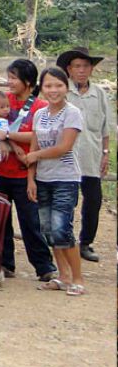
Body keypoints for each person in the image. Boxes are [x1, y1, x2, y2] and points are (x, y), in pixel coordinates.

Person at [0, 59, 55, 281]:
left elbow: (38, 136)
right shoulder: (2, 101)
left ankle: (43, 266)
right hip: (1, 172)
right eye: (9, 77)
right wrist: (6, 141)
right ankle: (5, 263)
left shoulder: (39, 107)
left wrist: (8, 137)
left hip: (27, 173)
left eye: (14, 77)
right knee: (2, 222)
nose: (10, 82)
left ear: (27, 81)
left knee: (30, 222)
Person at [27, 68, 85, 296]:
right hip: (43, 178)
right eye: (48, 86)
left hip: (66, 177)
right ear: (42, 88)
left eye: (58, 85)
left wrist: (36, 156)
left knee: (63, 229)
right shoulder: (39, 114)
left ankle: (78, 278)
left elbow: (64, 147)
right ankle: (63, 276)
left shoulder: (72, 113)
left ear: (66, 86)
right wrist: (31, 178)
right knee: (49, 230)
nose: (53, 90)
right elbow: (34, 146)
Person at [58, 47, 113, 263]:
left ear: (91, 69)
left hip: (91, 156)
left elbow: (105, 127)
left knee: (93, 200)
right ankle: (65, 241)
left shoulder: (98, 93)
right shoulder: (62, 91)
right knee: (67, 200)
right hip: (66, 156)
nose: (81, 71)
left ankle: (86, 242)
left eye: (85, 66)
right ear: (69, 70)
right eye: (77, 66)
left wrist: (106, 153)